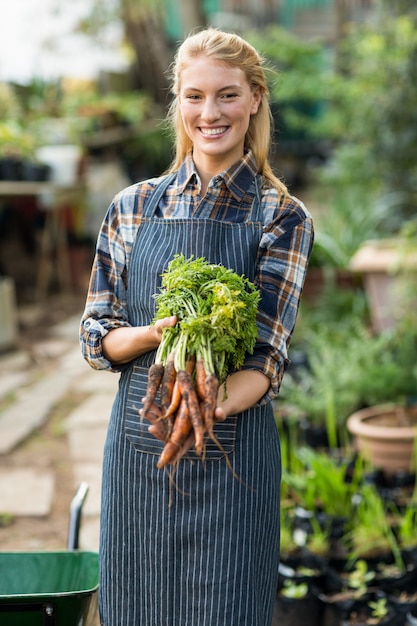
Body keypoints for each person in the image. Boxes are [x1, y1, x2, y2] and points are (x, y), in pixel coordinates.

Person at [80, 27, 314, 626]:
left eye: (228, 95)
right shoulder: (132, 206)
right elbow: (97, 335)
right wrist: (155, 335)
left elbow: (265, 358)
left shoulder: (281, 216)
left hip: (234, 461)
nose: (210, 114)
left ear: (256, 98)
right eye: (194, 96)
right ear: (177, 102)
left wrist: (203, 412)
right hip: (140, 453)